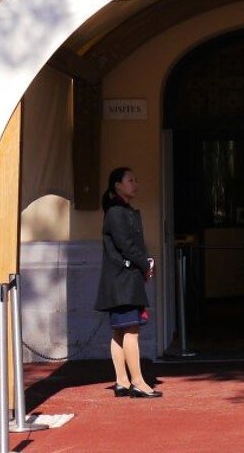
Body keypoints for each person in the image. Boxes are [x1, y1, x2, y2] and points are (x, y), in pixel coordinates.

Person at [94, 167, 162, 398]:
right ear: (117, 185)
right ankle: (138, 382)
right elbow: (127, 246)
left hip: (121, 280)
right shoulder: (116, 212)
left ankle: (122, 380)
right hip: (122, 281)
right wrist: (145, 264)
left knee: (120, 332)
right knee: (130, 331)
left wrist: (144, 263)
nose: (135, 184)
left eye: (135, 179)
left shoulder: (122, 211)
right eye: (130, 180)